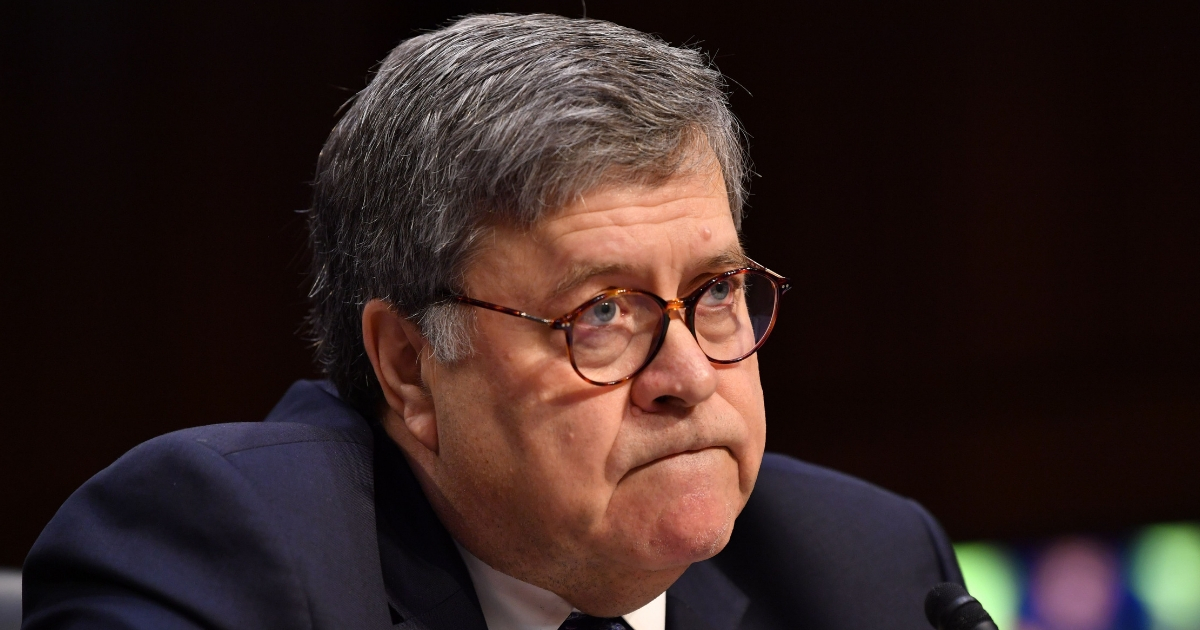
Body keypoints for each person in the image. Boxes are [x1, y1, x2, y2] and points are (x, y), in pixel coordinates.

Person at [22, 14, 962, 630]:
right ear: (409, 366)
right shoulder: (225, 554)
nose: (689, 376)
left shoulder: (867, 569)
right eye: (603, 311)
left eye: (714, 291)